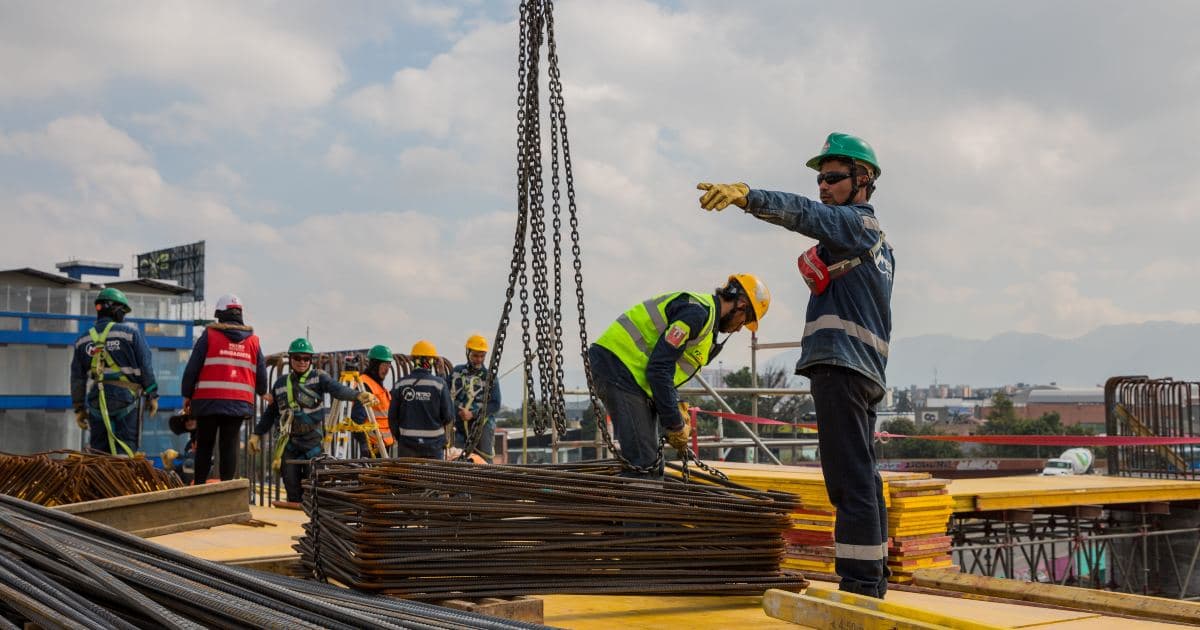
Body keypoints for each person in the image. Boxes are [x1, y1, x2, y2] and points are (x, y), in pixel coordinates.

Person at [697, 132, 895, 599]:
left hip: (841, 368)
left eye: (832, 177)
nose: (822, 186)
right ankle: (874, 575)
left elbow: (807, 214)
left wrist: (749, 196)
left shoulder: (855, 226)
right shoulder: (880, 245)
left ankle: (860, 586)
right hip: (863, 372)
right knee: (864, 475)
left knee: (848, 482)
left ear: (862, 179)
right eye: (819, 178)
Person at [588, 274, 770, 479]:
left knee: (652, 468)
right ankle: (625, 508)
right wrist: (674, 423)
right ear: (741, 305)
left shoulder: (706, 324)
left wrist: (673, 404)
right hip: (617, 367)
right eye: (744, 321)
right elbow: (659, 369)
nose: (738, 329)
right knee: (644, 466)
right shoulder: (696, 314)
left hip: (628, 374)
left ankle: (632, 505)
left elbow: (666, 368)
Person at [247, 338, 375, 503]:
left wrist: (357, 395)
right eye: (298, 358)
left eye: (306, 358)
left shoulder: (318, 378)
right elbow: (271, 413)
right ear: (291, 359)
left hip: (312, 445)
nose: (302, 362)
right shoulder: (280, 384)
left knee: (313, 494)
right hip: (289, 446)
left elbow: (337, 389)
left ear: (311, 360)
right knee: (292, 493)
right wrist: (257, 434)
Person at [180, 294, 268, 483]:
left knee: (204, 445)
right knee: (229, 445)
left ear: (219, 314)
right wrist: (262, 391)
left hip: (208, 400)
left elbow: (193, 366)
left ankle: (199, 488)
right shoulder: (253, 341)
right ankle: (227, 489)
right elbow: (261, 373)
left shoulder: (210, 335)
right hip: (238, 401)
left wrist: (187, 394)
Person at [70, 287, 159, 455]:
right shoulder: (130, 334)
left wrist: (79, 408)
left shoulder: (83, 340)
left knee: (99, 452)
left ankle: (99, 480)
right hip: (126, 398)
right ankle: (122, 479)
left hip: (98, 400)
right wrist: (152, 394)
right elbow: (145, 366)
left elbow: (77, 378)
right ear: (117, 310)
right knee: (125, 449)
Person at [388, 340, 454, 459]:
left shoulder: (401, 384)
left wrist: (402, 438)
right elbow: (448, 416)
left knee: (407, 477)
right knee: (432, 477)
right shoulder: (439, 384)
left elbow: (392, 417)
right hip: (434, 447)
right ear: (431, 361)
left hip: (407, 446)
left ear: (413, 360)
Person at [449, 334, 501, 463]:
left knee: (484, 461)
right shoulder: (457, 372)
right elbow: (445, 391)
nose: (479, 359)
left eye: (482, 356)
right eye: (475, 356)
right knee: (458, 458)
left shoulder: (489, 376)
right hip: (460, 426)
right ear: (468, 353)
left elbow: (495, 404)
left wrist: (472, 414)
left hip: (482, 426)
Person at [348, 345, 396, 457]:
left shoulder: (378, 385)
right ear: (374, 365)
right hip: (372, 448)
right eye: (384, 365)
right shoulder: (365, 384)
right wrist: (364, 444)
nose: (387, 370)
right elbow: (357, 419)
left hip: (383, 445)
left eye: (389, 365)